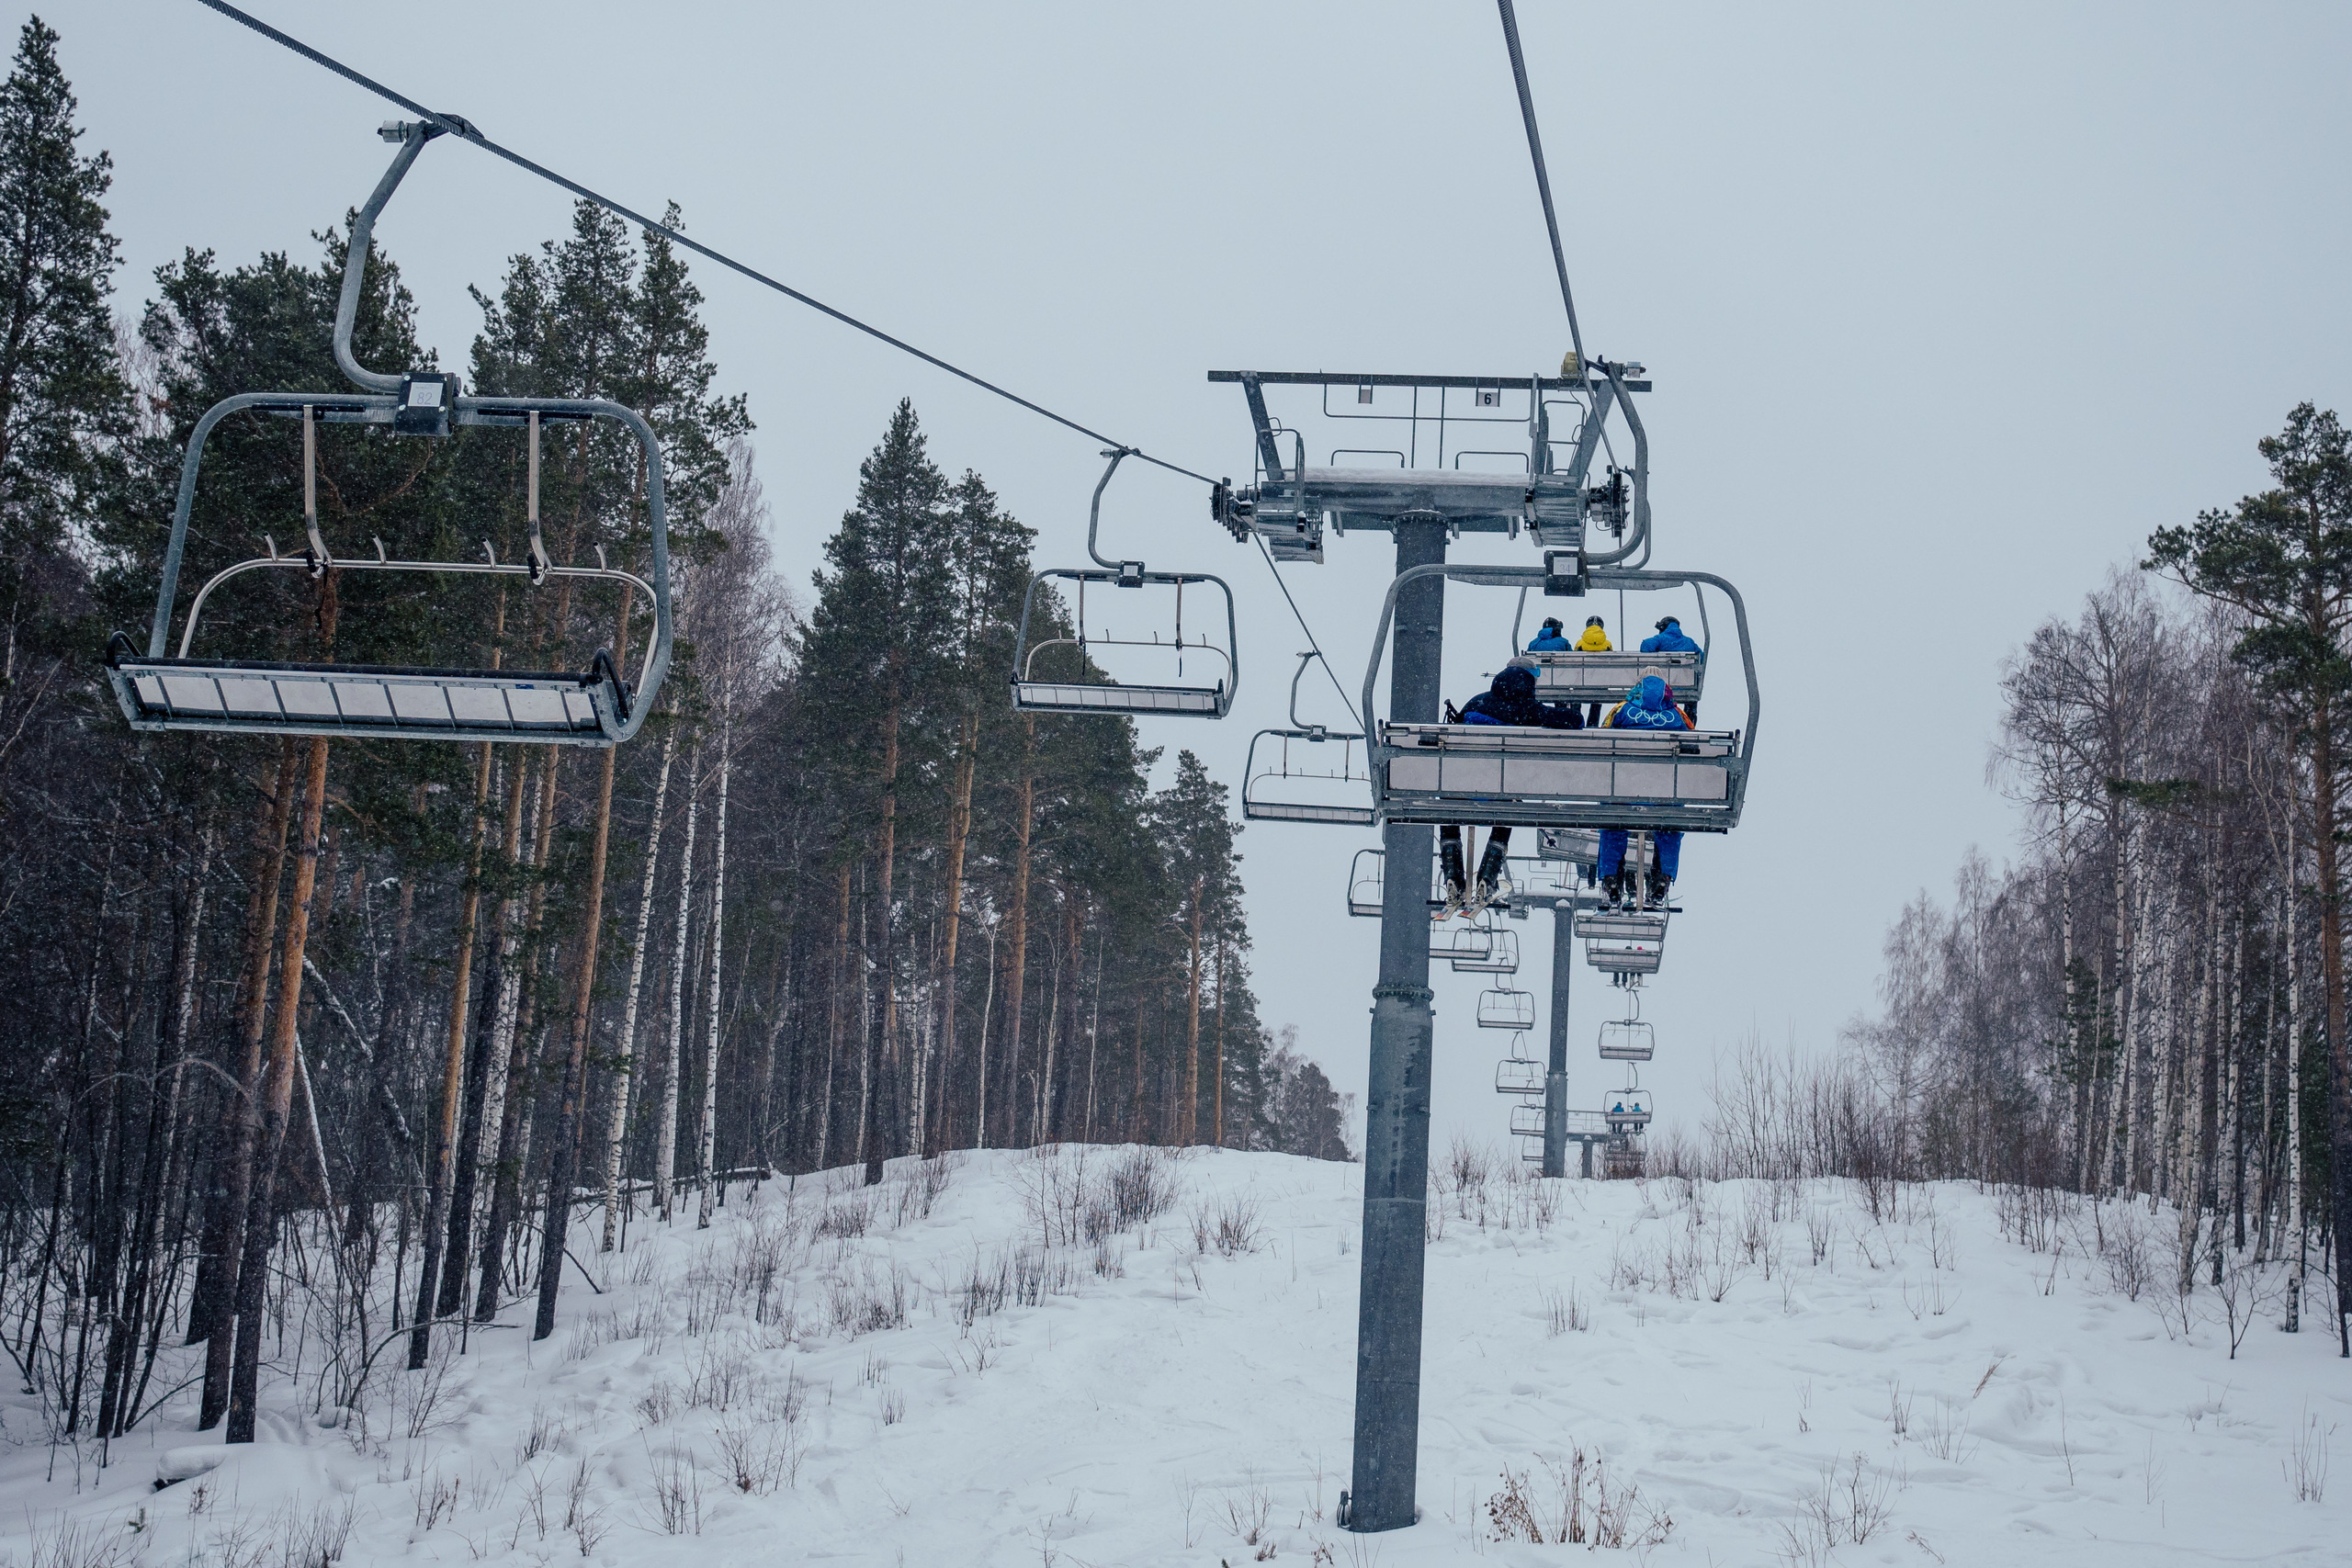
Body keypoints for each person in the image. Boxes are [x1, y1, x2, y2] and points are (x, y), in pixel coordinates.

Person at [1436, 664, 1579, 916]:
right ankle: (1487, 878)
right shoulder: (1528, 710)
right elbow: (1575, 721)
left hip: (1460, 787)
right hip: (1499, 791)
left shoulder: (1476, 702)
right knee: (1510, 804)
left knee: (1449, 807)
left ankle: (1453, 878)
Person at [1596, 673, 1686, 908]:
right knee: (1670, 826)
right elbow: (1693, 745)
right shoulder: (1677, 716)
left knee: (1612, 822)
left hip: (1623, 790)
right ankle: (1662, 878)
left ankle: (1611, 879)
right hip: (1663, 794)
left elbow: (1599, 740)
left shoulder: (1622, 711)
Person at [1641, 615, 1703, 723]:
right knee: (1692, 697)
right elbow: (1701, 656)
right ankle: (1690, 720)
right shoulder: (1689, 641)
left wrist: (1658, 657)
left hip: (1664, 685)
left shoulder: (1661, 639)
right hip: (1687, 685)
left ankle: (1660, 721)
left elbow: (1645, 647)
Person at [1574, 614, 1612, 724]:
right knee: (1596, 702)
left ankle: (1577, 721)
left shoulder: (1580, 643)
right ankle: (1593, 724)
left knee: (1576, 699)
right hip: (1599, 682)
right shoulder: (1607, 644)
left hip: (1582, 681)